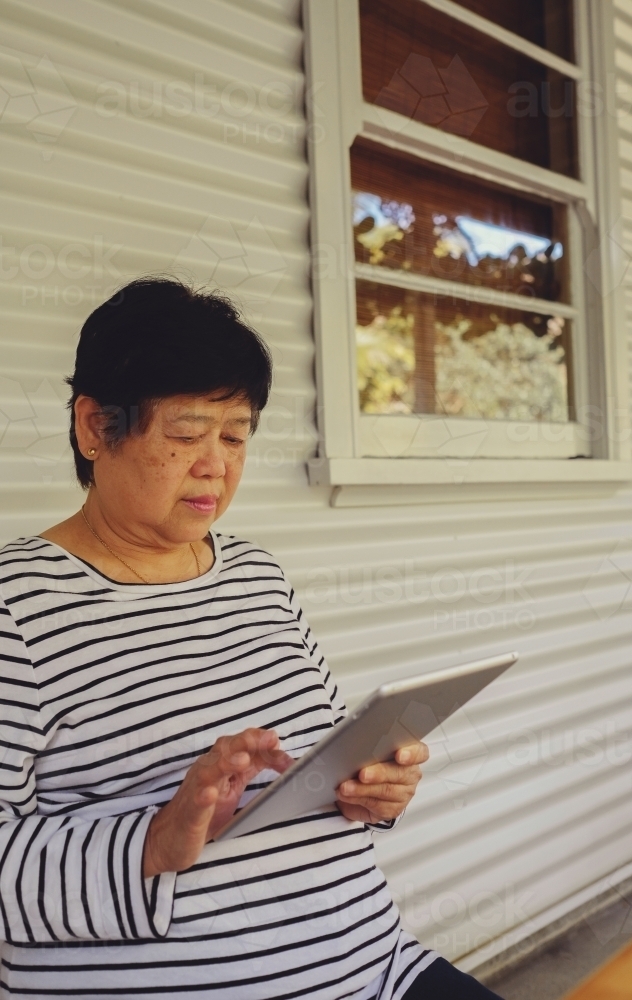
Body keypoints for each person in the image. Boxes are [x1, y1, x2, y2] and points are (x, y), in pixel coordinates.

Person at [0, 278, 503, 999]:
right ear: (94, 428)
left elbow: (313, 757)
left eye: (236, 436)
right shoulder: (17, 606)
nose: (217, 464)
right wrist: (157, 838)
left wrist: (370, 789)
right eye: (185, 435)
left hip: (376, 971)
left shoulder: (256, 576)